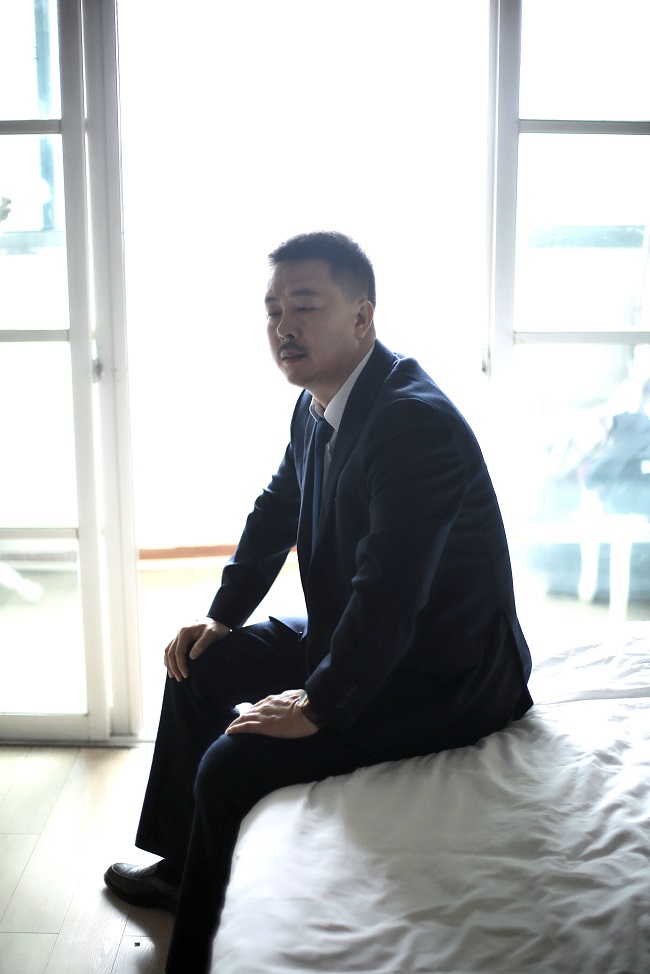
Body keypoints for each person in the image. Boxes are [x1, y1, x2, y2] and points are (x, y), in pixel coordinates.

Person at [104, 231, 533, 974]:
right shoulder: (317, 406)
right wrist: (222, 616)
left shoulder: (412, 422)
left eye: (304, 305)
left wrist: (320, 704)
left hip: (447, 670)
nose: (283, 326)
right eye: (273, 310)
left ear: (363, 316)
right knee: (199, 665)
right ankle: (182, 867)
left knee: (230, 764)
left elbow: (390, 592)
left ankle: (198, 952)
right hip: (364, 634)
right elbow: (276, 509)